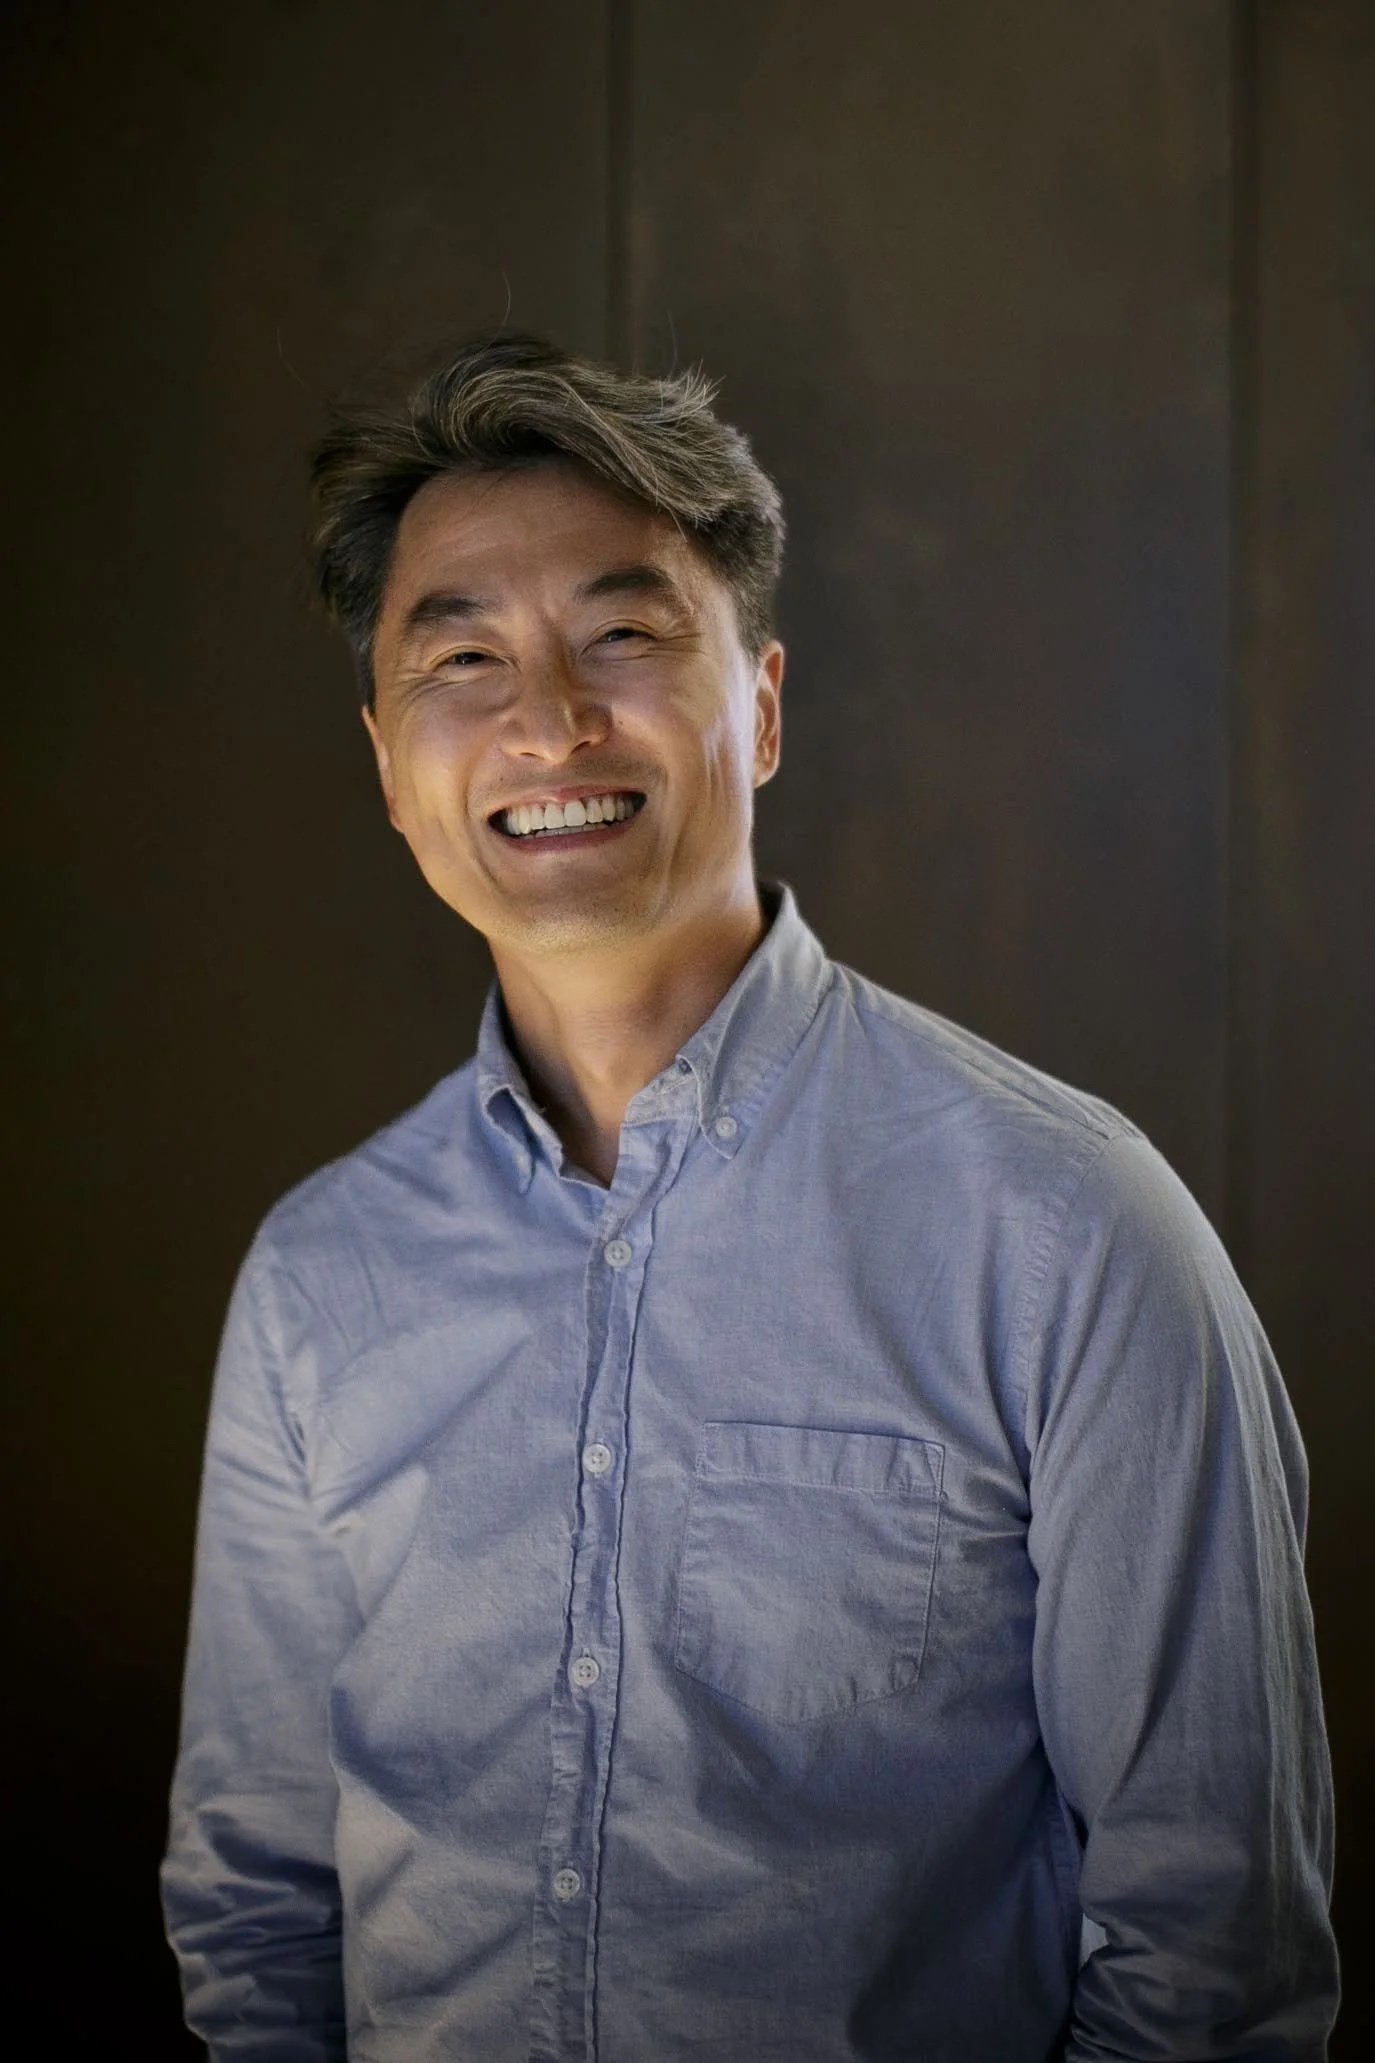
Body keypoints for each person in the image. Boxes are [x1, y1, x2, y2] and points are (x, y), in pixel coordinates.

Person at [160, 331, 1340, 2062]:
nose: (548, 722)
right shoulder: (317, 1276)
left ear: (763, 707)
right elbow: (257, 1903)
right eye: (463, 656)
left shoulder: (1067, 1233)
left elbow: (1211, 1958)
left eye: (623, 636)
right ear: (390, 765)